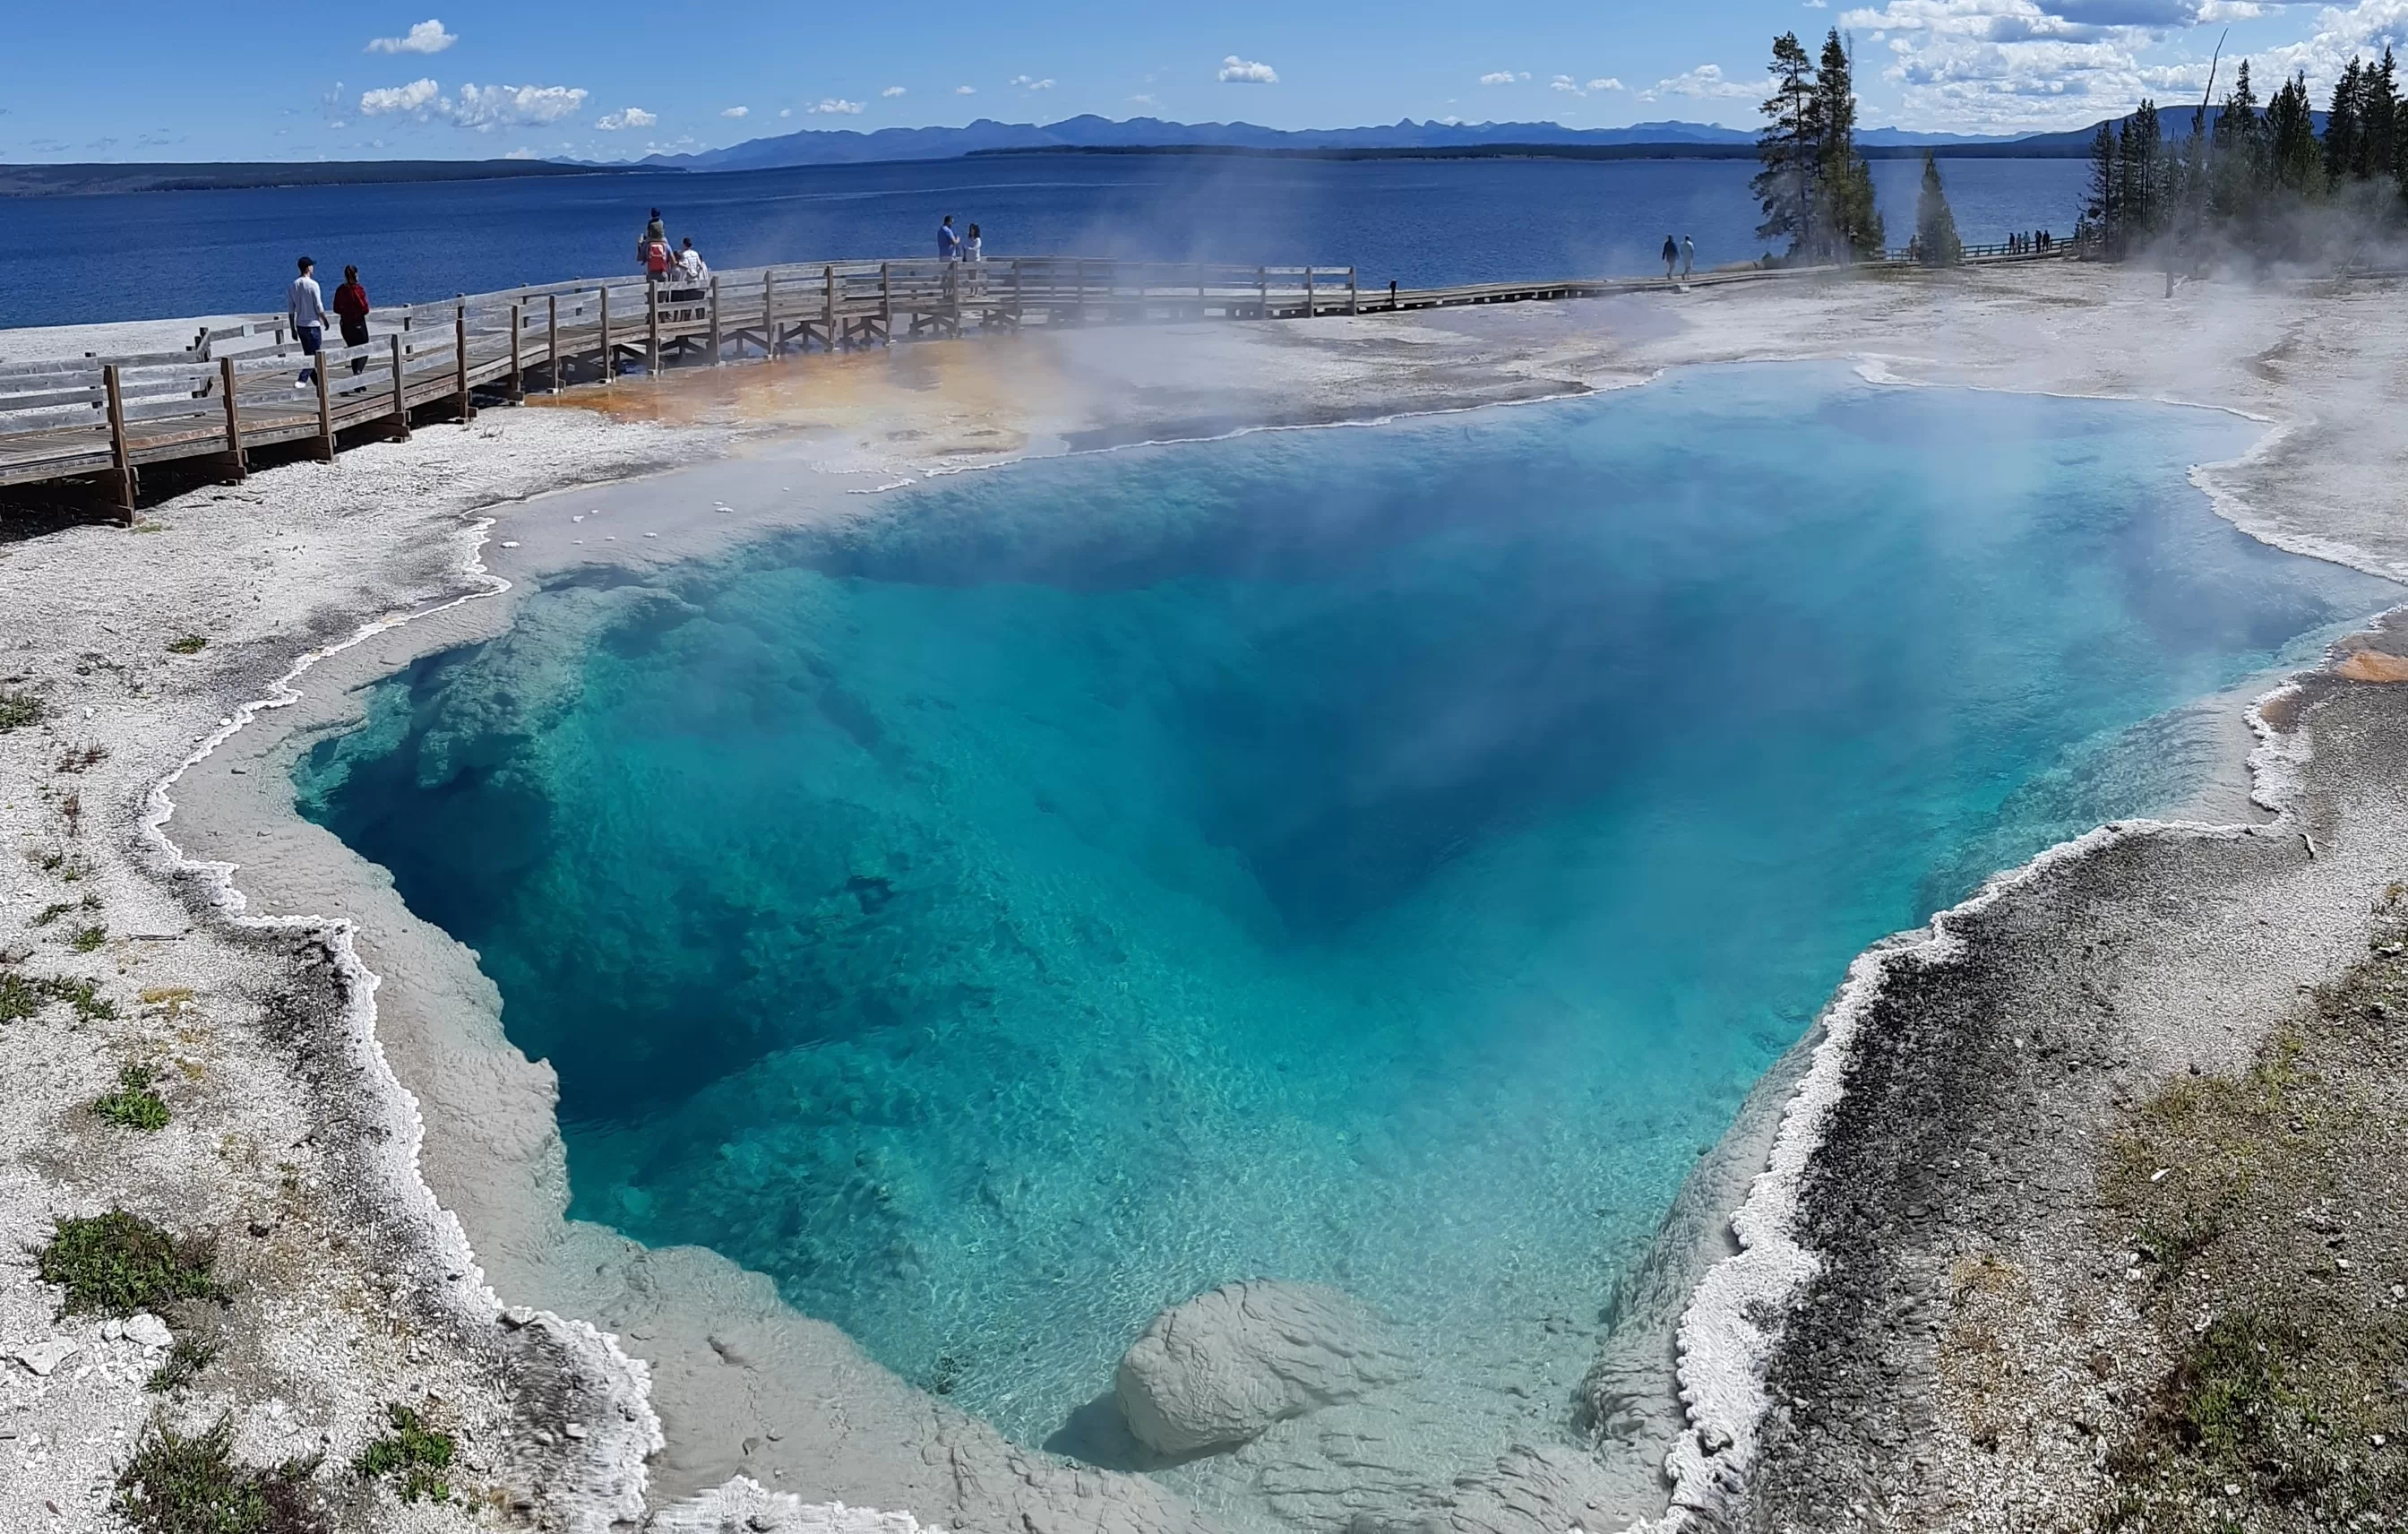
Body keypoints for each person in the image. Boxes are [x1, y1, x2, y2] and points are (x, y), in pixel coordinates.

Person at [288, 255, 329, 388]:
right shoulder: (313, 285)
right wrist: (325, 320)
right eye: (311, 266)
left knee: (308, 355)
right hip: (313, 325)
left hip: (300, 325)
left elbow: (291, 309)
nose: (313, 268)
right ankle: (302, 379)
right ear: (308, 268)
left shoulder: (294, 285)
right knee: (315, 356)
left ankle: (319, 385)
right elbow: (318, 306)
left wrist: (292, 328)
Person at [331, 264, 371, 380]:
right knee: (364, 349)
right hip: (358, 323)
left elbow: (336, 308)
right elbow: (365, 309)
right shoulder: (358, 289)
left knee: (353, 350)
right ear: (356, 275)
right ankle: (358, 373)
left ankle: (356, 380)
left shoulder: (341, 290)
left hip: (345, 324)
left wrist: (345, 312)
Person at [964, 222, 984, 291]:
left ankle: (976, 292)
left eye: (973, 229)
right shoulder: (969, 238)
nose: (972, 231)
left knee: (975, 277)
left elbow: (975, 248)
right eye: (971, 229)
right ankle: (971, 291)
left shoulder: (978, 239)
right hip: (969, 260)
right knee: (970, 277)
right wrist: (968, 248)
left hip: (975, 260)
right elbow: (965, 246)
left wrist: (969, 248)